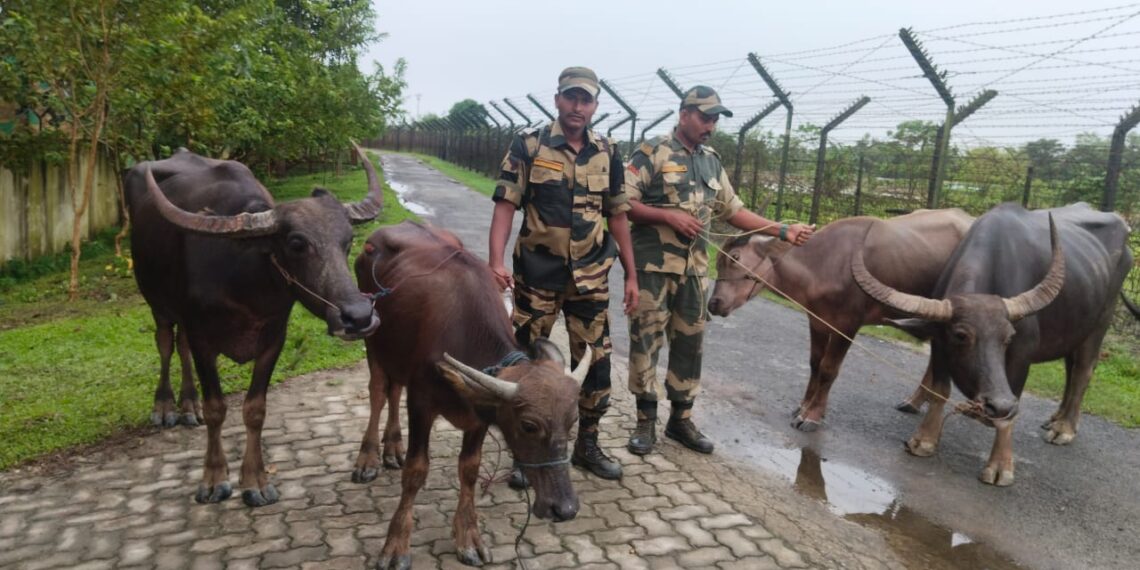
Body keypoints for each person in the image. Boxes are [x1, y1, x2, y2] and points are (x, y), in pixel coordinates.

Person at [624, 85, 813, 455]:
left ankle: (681, 420)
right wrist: (667, 216)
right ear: (684, 115)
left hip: (694, 272)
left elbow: (733, 211)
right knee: (646, 341)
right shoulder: (652, 152)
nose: (710, 125)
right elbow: (623, 202)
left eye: (715, 119)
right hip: (652, 269)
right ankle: (645, 421)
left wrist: (781, 229)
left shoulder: (711, 161)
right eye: (704, 117)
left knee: (690, 345)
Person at [488, 66, 638, 484]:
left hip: (590, 278)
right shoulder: (529, 145)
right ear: (557, 99)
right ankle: (525, 451)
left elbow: (619, 214)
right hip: (536, 278)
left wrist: (631, 275)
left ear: (594, 105)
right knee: (525, 371)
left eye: (585, 99)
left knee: (595, 365)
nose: (577, 106)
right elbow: (505, 204)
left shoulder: (607, 152)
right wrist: (495, 262)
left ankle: (586, 445)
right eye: (571, 97)